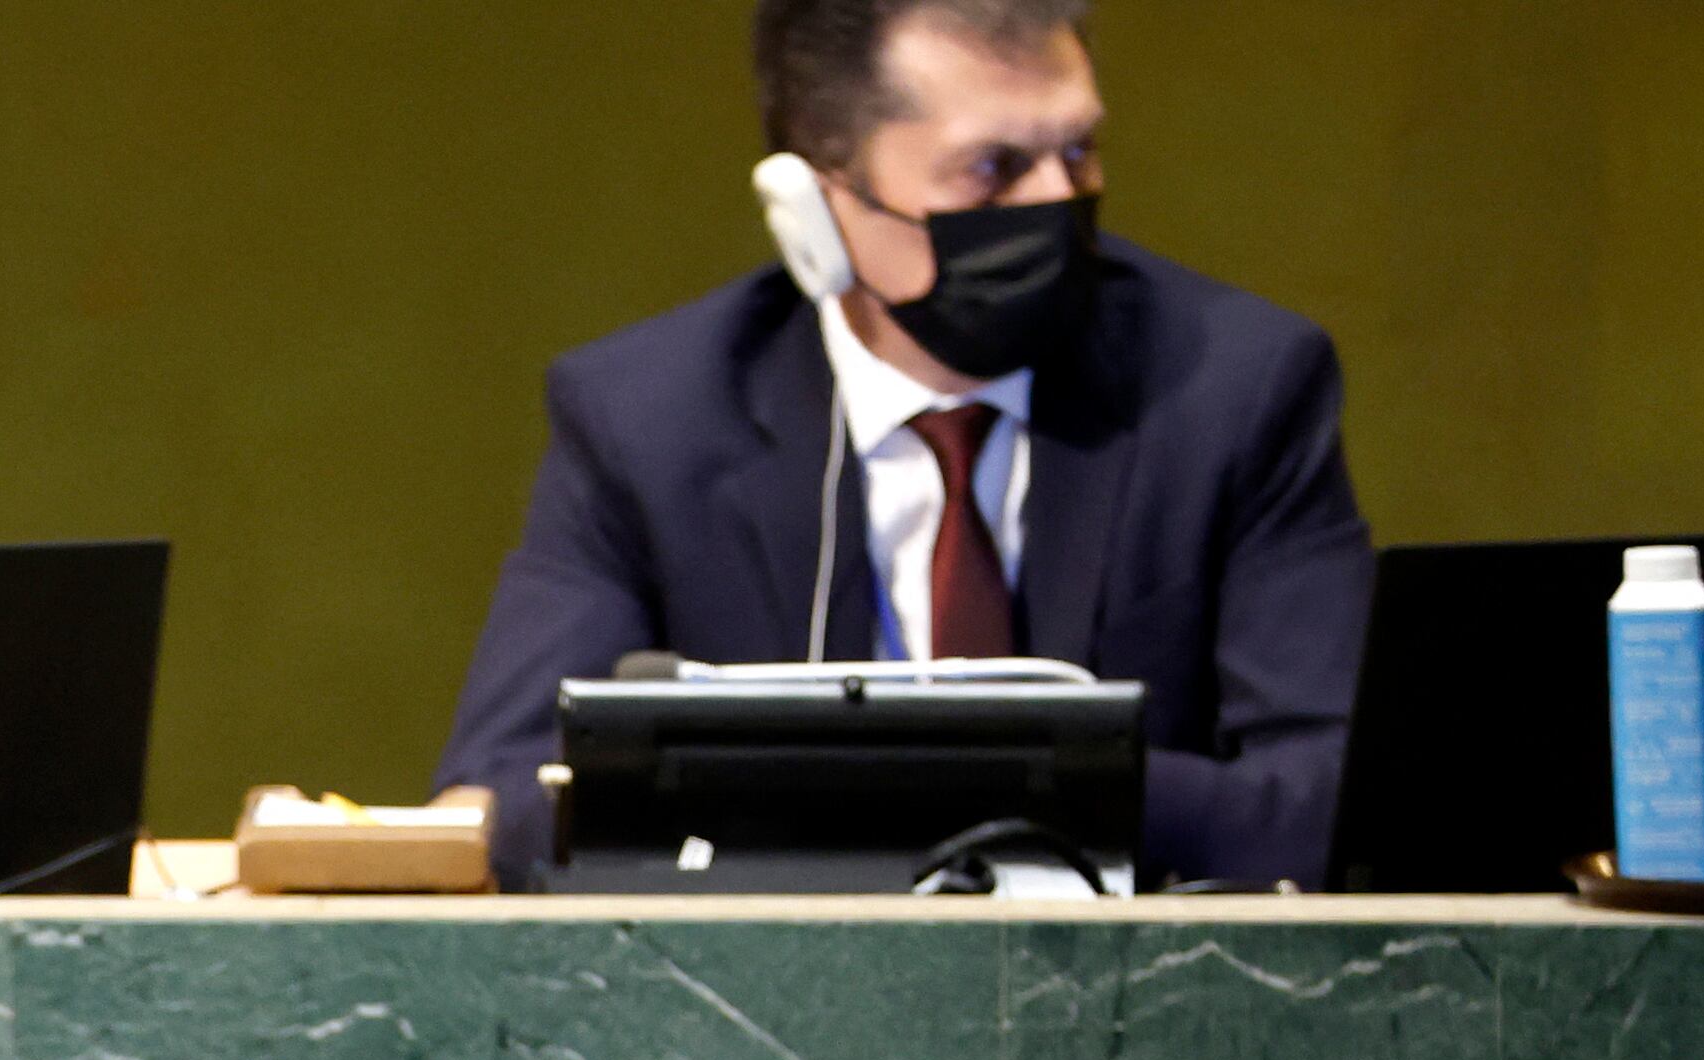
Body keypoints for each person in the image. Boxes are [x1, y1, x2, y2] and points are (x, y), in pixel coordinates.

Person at [437, 0, 1371, 886]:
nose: (1059, 203)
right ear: (814, 206)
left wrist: (947, 780)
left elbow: (1337, 799)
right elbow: (501, 795)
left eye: (1079, 153)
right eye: (994, 169)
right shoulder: (647, 421)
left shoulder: (1235, 390)